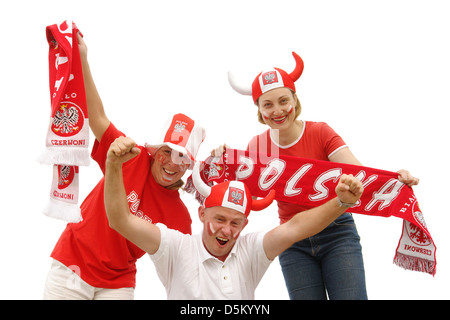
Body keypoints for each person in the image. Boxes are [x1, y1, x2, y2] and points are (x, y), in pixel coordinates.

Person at [227, 52, 419, 300]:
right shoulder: (257, 147)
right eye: (268, 104)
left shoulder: (320, 132)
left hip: (337, 233)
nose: (277, 110)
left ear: (295, 100)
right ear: (259, 110)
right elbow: (241, 198)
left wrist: (395, 179)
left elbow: (359, 174)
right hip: (293, 241)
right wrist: (221, 160)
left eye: (283, 100)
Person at [43, 34, 206, 300]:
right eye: (167, 152)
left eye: (181, 158)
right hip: (72, 265)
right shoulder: (129, 155)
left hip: (117, 282)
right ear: (155, 151)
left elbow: (185, 271)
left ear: (188, 166)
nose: (171, 163)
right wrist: (82, 59)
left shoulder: (180, 219)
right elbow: (96, 117)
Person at [104, 136, 364, 299]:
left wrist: (341, 202)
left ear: (244, 225)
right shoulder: (176, 247)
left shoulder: (250, 250)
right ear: (202, 214)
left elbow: (295, 227)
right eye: (219, 219)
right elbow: (121, 220)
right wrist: (114, 166)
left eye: (235, 222)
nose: (226, 231)